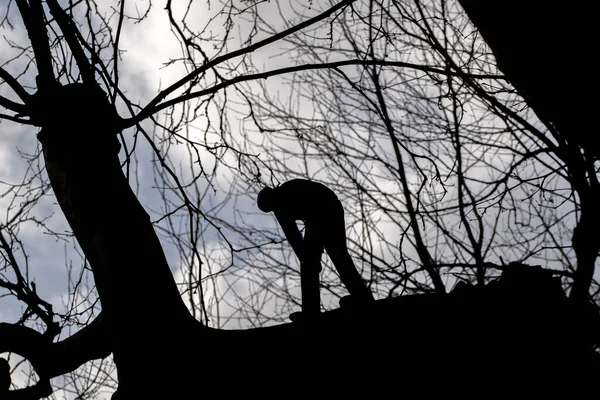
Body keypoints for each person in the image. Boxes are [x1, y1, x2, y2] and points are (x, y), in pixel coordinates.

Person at [257, 179, 373, 316]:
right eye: (271, 208)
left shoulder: (290, 189)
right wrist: (304, 257)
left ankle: (360, 297)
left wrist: (309, 255)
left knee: (336, 254)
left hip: (327, 207)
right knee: (312, 262)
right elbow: (293, 236)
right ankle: (312, 309)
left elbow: (316, 207)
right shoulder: (279, 209)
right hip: (320, 213)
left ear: (272, 194)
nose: (275, 207)